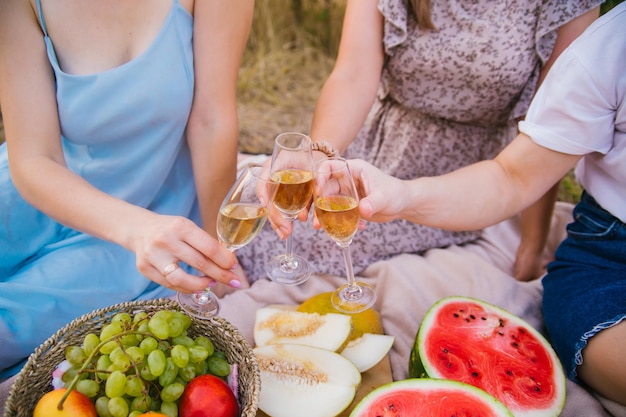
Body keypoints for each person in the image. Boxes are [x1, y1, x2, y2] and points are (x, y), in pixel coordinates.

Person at [345, 1, 626, 404]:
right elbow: (512, 177)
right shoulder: (608, 49)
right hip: (609, 258)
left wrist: (532, 243)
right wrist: (402, 195)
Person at [237, 0, 603, 284]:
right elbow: (352, 76)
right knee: (270, 237)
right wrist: (318, 153)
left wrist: (532, 244)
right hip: (375, 153)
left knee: (344, 259)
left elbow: (548, 129)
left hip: (477, 181)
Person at [0, 0, 254, 381]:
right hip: (45, 192)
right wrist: (138, 230)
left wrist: (222, 248)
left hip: (149, 212)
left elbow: (211, 120)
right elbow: (34, 158)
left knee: (12, 325)